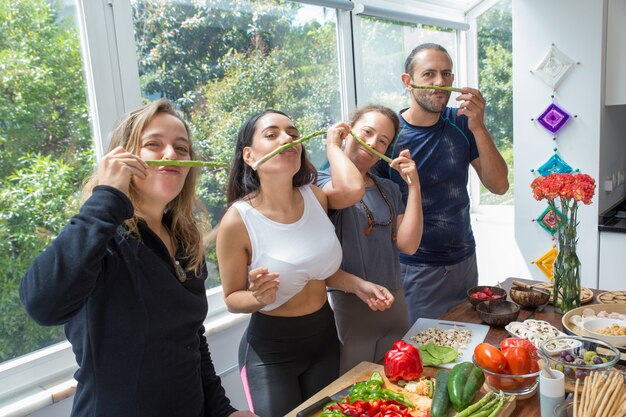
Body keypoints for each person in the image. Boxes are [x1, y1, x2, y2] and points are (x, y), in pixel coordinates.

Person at [19, 99, 257, 417]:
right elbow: (42, 304)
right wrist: (107, 197)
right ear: (124, 158)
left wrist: (222, 410)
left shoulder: (184, 241)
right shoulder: (103, 238)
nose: (171, 154)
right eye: (153, 145)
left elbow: (191, 340)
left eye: (181, 148)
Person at [216, 109, 394, 417]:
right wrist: (257, 297)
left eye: (294, 134)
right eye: (272, 134)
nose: (288, 139)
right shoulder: (237, 220)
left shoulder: (315, 196)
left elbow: (319, 271)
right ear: (248, 154)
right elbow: (232, 298)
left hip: (324, 340)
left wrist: (358, 285)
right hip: (271, 354)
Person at [373, 43, 509, 323]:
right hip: (415, 270)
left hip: (465, 262)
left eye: (447, 74)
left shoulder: (462, 123)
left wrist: (479, 126)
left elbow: (499, 186)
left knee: (465, 348)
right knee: (424, 357)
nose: (440, 83)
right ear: (407, 82)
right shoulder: (389, 136)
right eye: (429, 74)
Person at [317, 105, 423, 374]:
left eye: (383, 141)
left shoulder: (388, 188)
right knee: (353, 395)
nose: (373, 143)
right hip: (351, 306)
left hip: (394, 304)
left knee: (394, 388)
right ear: (347, 130)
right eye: (367, 132)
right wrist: (333, 147)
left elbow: (408, 245)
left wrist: (413, 185)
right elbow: (350, 188)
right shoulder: (321, 184)